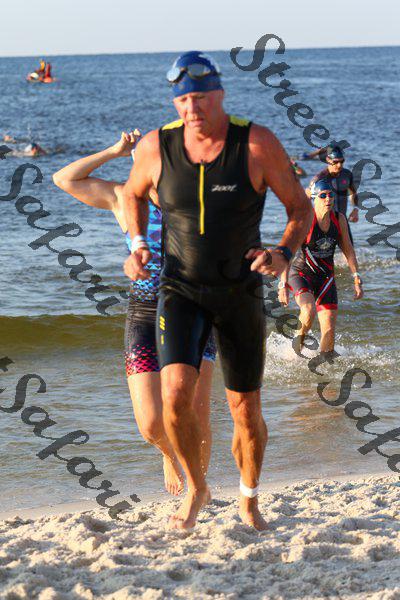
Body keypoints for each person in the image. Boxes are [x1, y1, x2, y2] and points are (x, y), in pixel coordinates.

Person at [123, 51, 312, 530]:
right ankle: (197, 487)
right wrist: (138, 243)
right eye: (183, 100)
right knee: (174, 397)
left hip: (238, 293)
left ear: (220, 94)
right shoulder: (157, 146)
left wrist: (284, 254)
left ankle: (249, 497)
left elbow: (300, 208)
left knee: (245, 411)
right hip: (179, 289)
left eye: (201, 97)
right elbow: (130, 193)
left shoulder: (255, 143)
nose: (192, 108)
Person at [52, 130, 216, 496]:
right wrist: (114, 150)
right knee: (151, 425)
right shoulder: (123, 200)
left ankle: (197, 491)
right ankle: (168, 453)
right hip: (144, 312)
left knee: (196, 413)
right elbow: (64, 179)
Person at [279, 179, 363, 353]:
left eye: (331, 195)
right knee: (308, 311)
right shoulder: (305, 221)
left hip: (326, 278)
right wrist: (282, 285)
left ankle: (324, 363)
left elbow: (348, 250)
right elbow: (287, 254)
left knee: (329, 331)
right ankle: (296, 350)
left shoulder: (339, 219)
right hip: (301, 274)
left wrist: (356, 277)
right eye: (323, 196)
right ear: (314, 198)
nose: (328, 199)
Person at [307, 146, 359, 242]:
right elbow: (306, 199)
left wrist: (355, 209)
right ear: (328, 160)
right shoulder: (319, 179)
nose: (339, 165)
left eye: (342, 161)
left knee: (350, 249)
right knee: (322, 250)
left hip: (342, 221)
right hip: (323, 223)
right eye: (335, 162)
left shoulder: (347, 175)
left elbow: (353, 192)